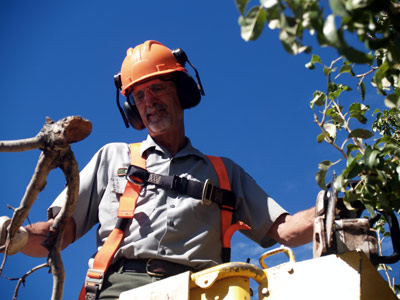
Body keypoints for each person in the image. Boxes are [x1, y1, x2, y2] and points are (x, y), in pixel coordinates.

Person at [0, 40, 315, 299]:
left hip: (200, 292)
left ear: (182, 91)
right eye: (139, 95)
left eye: (158, 88)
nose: (149, 101)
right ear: (131, 110)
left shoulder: (224, 172)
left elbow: (284, 228)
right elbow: (59, 233)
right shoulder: (113, 157)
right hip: (119, 291)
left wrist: (330, 209)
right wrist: (16, 236)